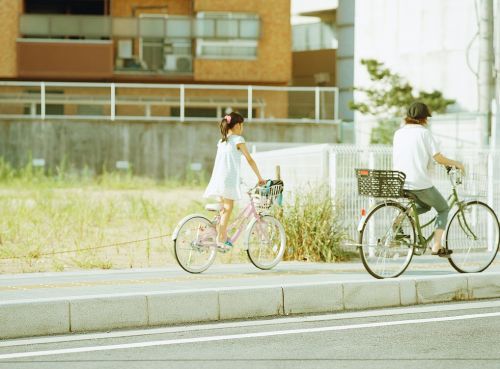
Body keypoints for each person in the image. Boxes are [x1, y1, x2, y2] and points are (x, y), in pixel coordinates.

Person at [393, 102, 465, 257]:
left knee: (425, 206)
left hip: (401, 182)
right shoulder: (424, 133)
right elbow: (438, 157)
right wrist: (456, 163)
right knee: (443, 208)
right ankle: (437, 245)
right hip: (419, 182)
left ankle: (400, 218)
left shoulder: (399, 133)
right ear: (424, 118)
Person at [204, 112, 266, 249]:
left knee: (223, 211)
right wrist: (260, 178)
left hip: (218, 178)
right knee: (228, 208)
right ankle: (222, 239)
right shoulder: (238, 139)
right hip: (228, 179)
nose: (242, 128)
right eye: (242, 125)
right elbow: (249, 159)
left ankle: (216, 234)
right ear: (237, 125)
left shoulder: (222, 141)